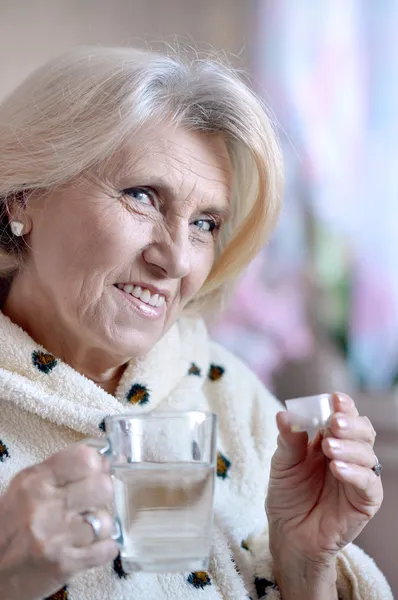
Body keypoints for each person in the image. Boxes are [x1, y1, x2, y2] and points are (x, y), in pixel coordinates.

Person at [0, 46, 392, 600]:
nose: (178, 260)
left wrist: (305, 565)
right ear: (24, 194)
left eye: (205, 223)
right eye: (141, 196)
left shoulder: (228, 390)